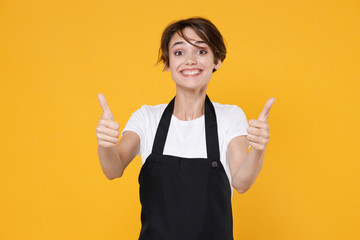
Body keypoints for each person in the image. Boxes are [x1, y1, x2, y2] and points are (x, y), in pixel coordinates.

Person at [96, 17, 275, 240]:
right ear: (167, 63)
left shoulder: (230, 117)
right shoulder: (147, 118)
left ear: (217, 60)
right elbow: (113, 169)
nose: (190, 60)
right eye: (179, 53)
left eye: (201, 51)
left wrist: (258, 149)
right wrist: (104, 145)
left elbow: (241, 182)